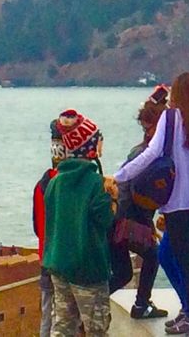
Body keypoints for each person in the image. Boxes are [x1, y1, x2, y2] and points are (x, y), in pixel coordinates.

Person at [114, 72, 189, 337]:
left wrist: (121, 176)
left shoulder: (170, 120)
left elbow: (151, 155)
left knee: (186, 266)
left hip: (177, 206)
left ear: (176, 95)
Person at [43, 109, 117, 337]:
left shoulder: (55, 183)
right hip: (89, 269)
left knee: (62, 326)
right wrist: (113, 195)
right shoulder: (96, 184)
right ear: (91, 147)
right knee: (96, 328)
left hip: (58, 265)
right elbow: (106, 220)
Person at [109, 86, 169, 320]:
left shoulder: (138, 151)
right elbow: (138, 194)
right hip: (128, 219)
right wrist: (148, 224)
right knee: (153, 256)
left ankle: (92, 303)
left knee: (123, 274)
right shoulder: (153, 157)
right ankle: (142, 304)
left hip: (116, 219)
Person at [31, 119, 66, 337]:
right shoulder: (67, 185)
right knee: (66, 316)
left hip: (46, 256)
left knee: (48, 313)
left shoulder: (41, 185)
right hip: (65, 259)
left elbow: (37, 226)